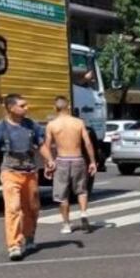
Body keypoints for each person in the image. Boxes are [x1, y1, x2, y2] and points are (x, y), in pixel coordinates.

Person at [0, 94, 55, 261]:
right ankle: (14, 245)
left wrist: (50, 160)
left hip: (30, 172)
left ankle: (29, 237)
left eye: (26, 105)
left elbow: (41, 145)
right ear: (11, 108)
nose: (26, 108)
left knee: (32, 208)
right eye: (22, 105)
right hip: (10, 172)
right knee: (13, 208)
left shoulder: (31, 126)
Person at [43, 96, 97, 234]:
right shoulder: (79, 122)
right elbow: (88, 143)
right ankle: (83, 212)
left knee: (63, 195)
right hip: (78, 159)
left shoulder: (52, 125)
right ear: (69, 107)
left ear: (55, 108)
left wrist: (48, 164)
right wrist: (92, 161)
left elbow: (47, 146)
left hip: (62, 160)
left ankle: (66, 224)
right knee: (82, 191)